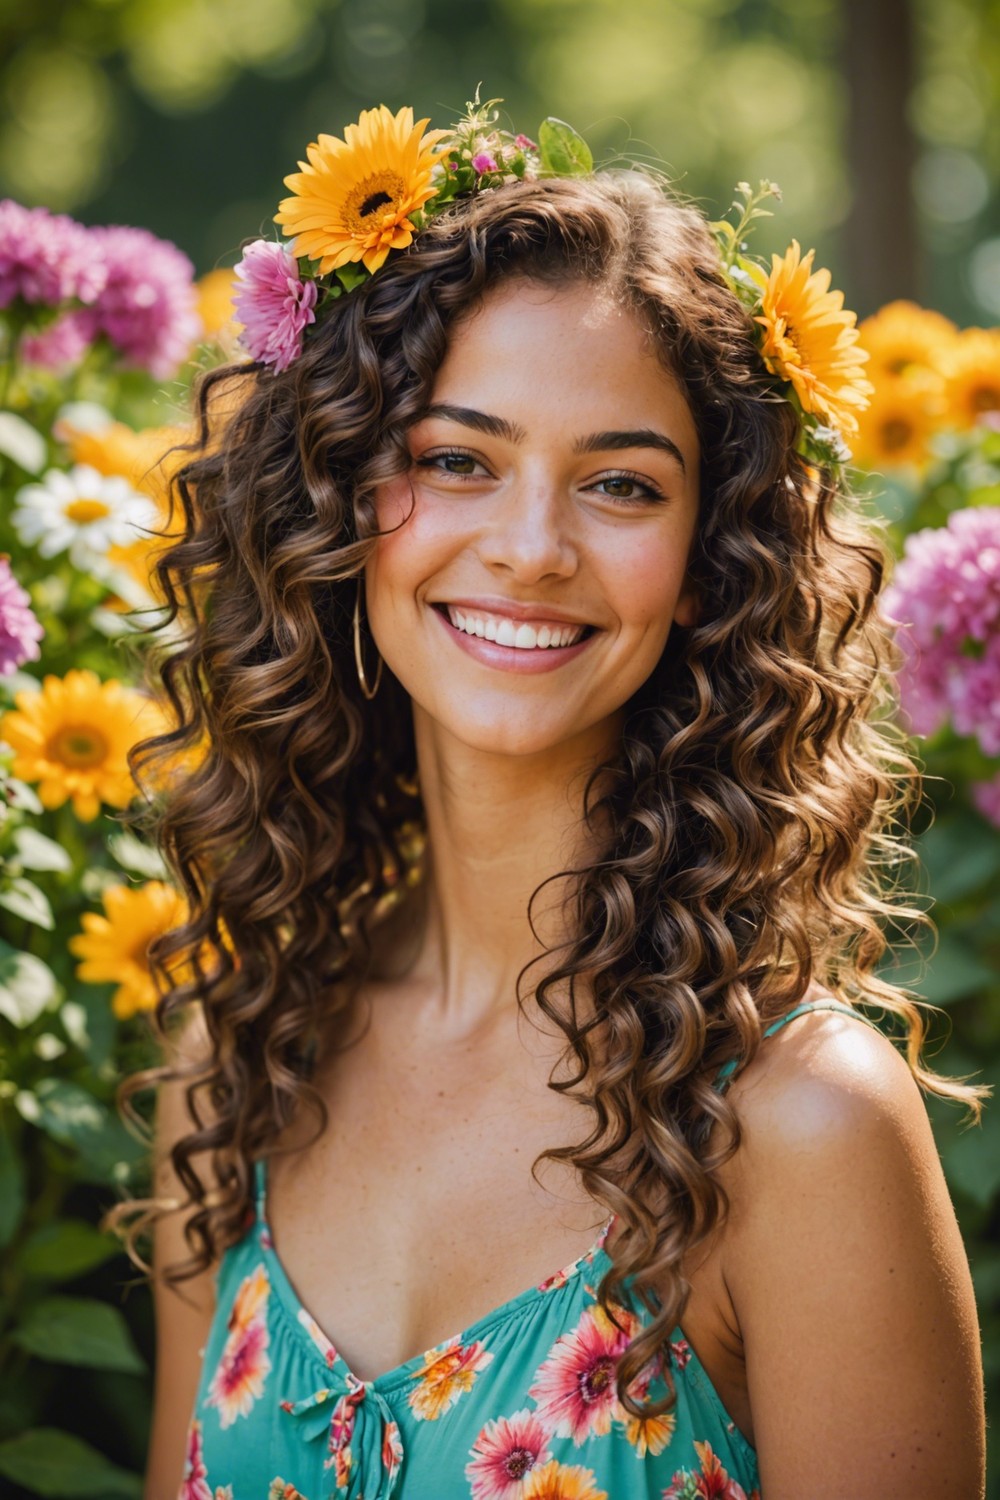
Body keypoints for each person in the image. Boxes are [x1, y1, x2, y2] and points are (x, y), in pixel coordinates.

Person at [117, 100, 988, 1500]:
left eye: (621, 485)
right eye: (456, 459)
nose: (529, 548)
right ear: (340, 506)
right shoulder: (238, 1064)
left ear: (709, 559)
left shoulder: (803, 1129)